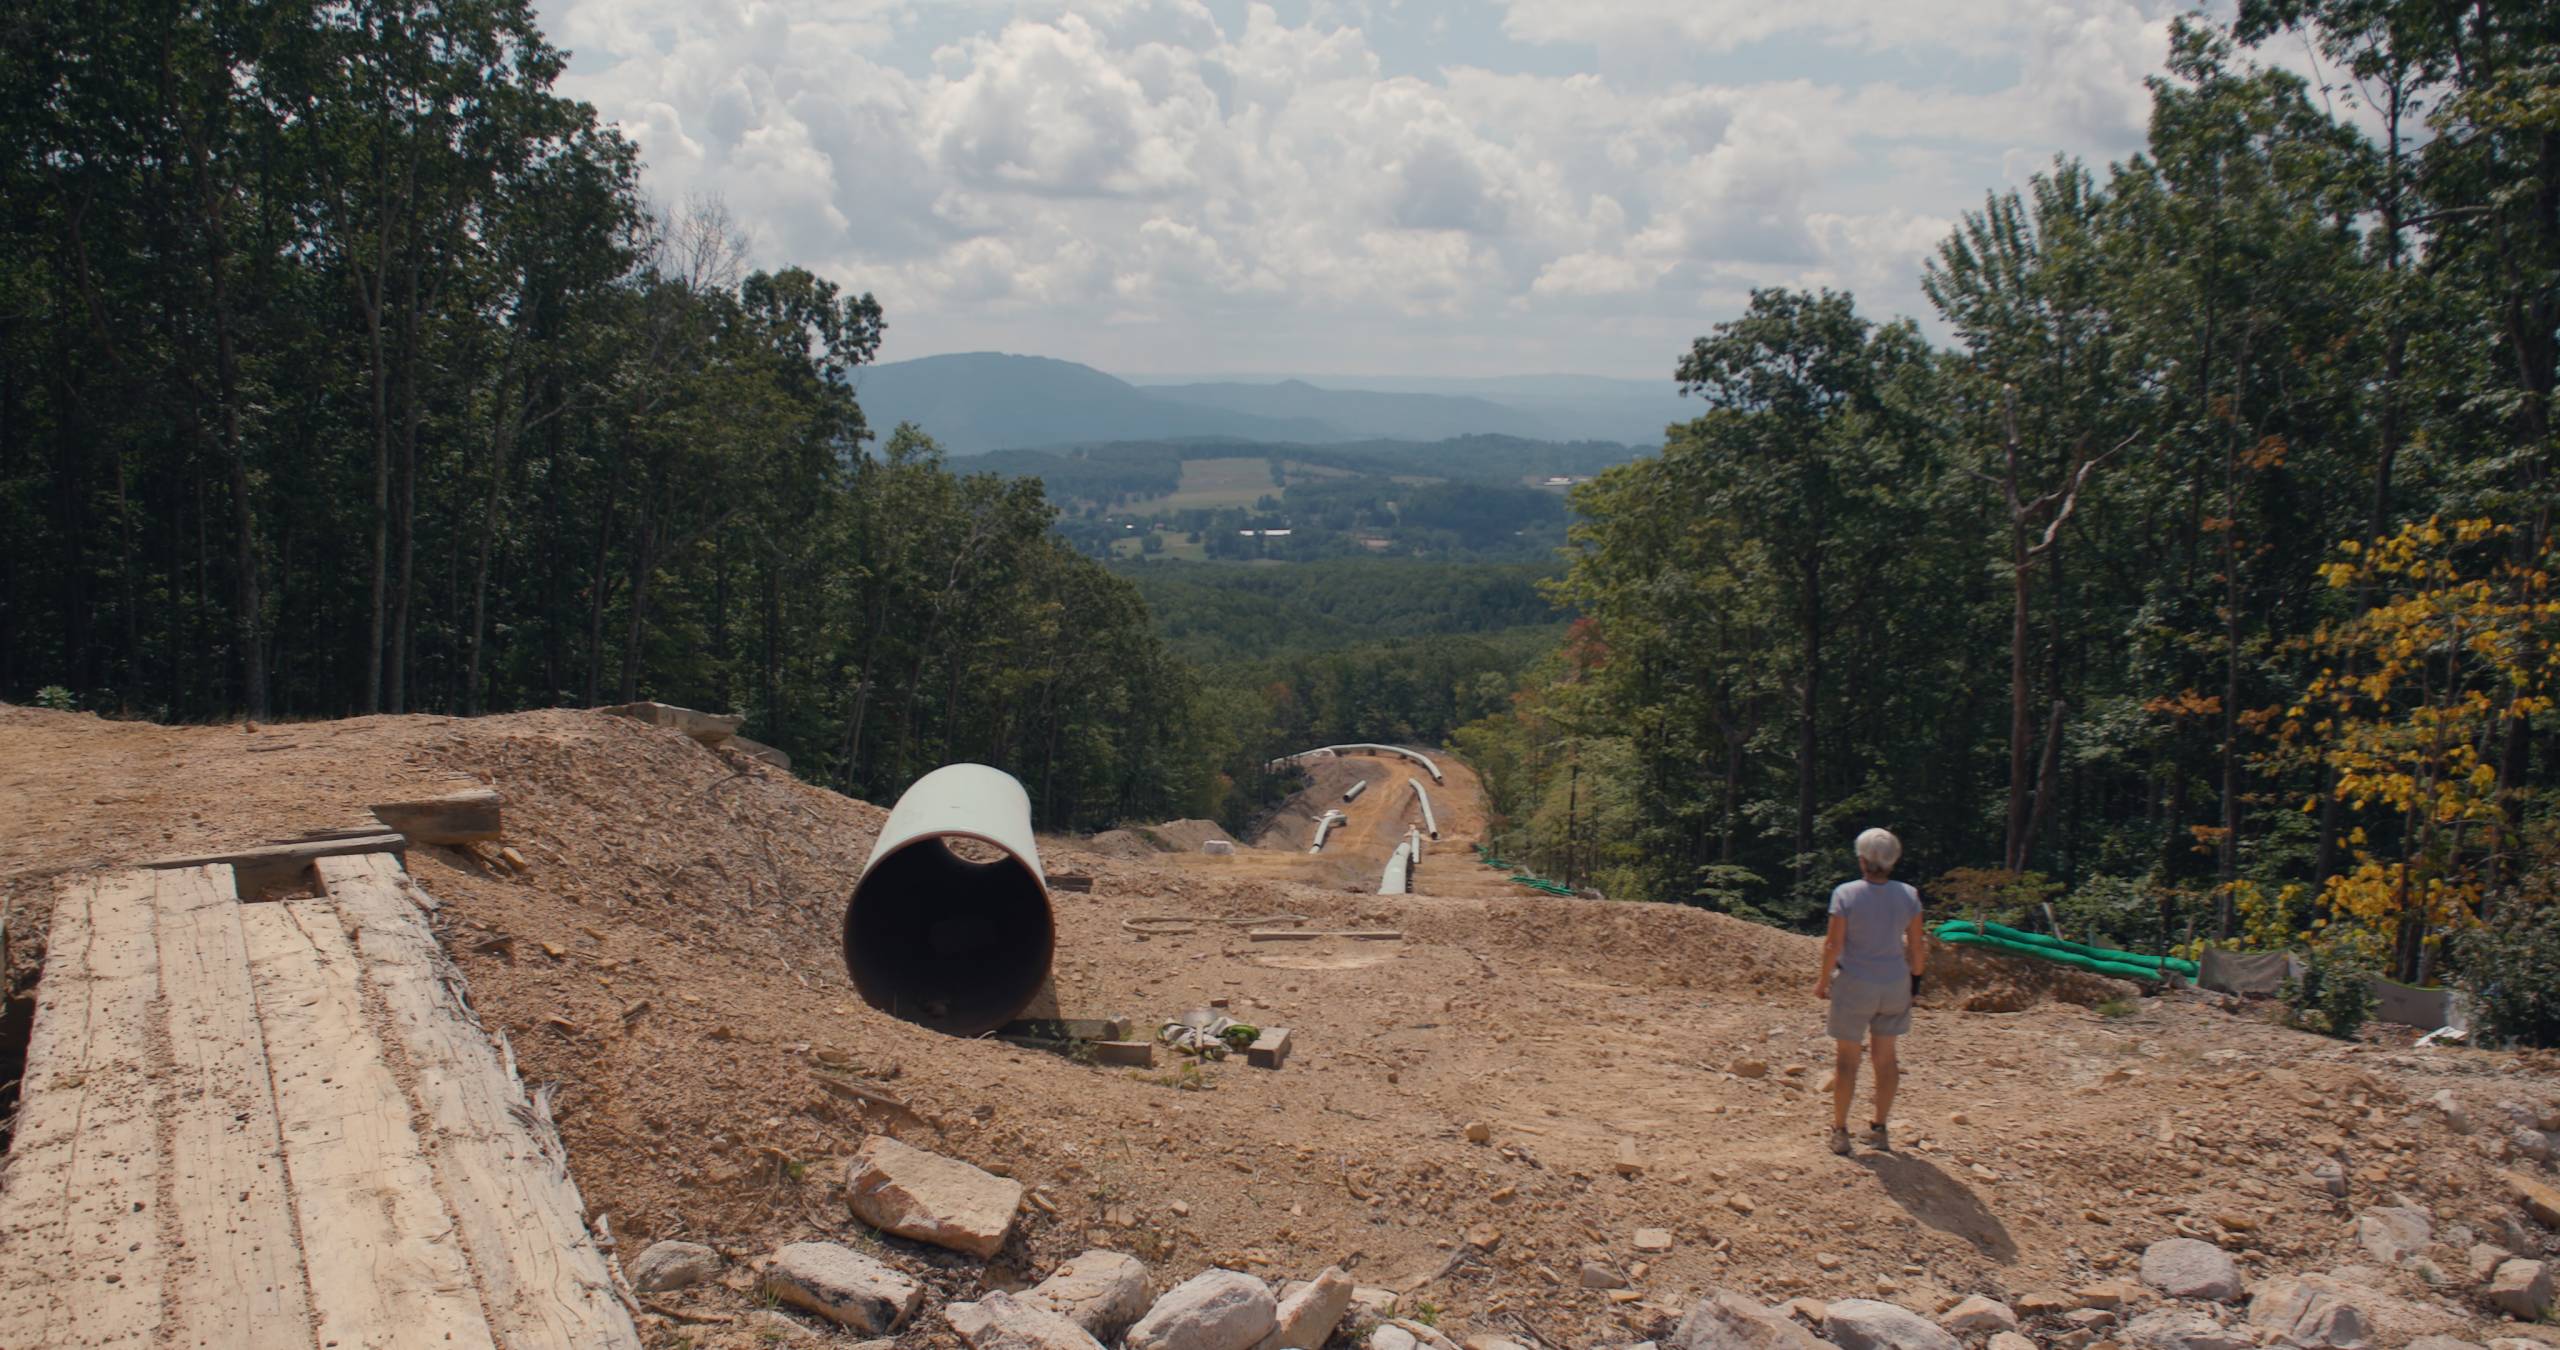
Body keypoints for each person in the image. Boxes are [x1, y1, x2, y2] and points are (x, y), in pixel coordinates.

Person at [1815, 827, 1925, 1156]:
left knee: (1847, 1061)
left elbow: (1834, 944)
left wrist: (1822, 981)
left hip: (1855, 983)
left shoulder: (1845, 894)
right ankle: (1879, 1129)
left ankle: (1840, 1132)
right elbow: (1917, 946)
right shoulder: (1909, 895)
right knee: (1886, 1058)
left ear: (1861, 859)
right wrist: (1915, 982)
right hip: (1895, 984)